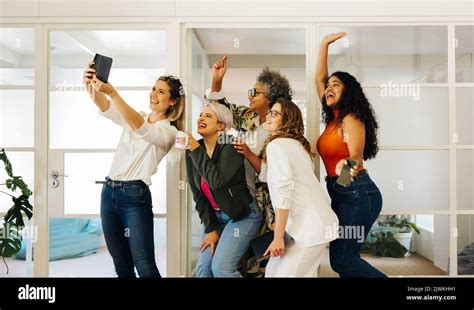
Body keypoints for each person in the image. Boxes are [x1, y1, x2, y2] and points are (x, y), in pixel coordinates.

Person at [83, 61, 185, 278]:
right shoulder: (136, 114)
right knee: (121, 264)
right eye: (153, 89)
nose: (154, 94)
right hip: (108, 192)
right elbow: (105, 106)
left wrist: (114, 93)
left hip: (134, 196)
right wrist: (91, 85)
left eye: (161, 91)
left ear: (173, 101)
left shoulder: (169, 132)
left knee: (145, 265)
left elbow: (142, 128)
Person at [316, 32, 387, 277]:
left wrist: (342, 178)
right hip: (343, 193)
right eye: (328, 86)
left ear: (348, 91)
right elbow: (320, 78)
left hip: (357, 192)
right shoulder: (333, 119)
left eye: (336, 84)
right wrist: (324, 44)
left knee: (344, 260)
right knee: (342, 261)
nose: (328, 88)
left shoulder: (352, 119)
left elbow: (355, 157)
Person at [207, 56, 293, 235]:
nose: (249, 95)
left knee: (264, 253)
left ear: (269, 98)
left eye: (255, 92)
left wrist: (247, 152)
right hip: (243, 197)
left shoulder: (281, 131)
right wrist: (217, 79)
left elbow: (276, 172)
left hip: (266, 202)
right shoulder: (247, 117)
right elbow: (220, 108)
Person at [259, 97, 338, 277]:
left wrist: (278, 237)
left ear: (287, 120)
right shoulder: (295, 145)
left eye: (275, 113)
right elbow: (266, 176)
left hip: (308, 228)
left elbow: (283, 191)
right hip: (311, 224)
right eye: (270, 112)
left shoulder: (277, 145)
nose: (269, 115)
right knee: (272, 272)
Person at [182, 101, 262, 277]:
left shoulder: (230, 145)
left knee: (221, 269)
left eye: (208, 116)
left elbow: (217, 181)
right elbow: (197, 193)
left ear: (221, 125)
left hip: (242, 215)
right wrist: (210, 229)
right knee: (203, 269)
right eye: (200, 115)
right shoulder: (192, 151)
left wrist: (195, 149)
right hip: (215, 217)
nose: (201, 118)